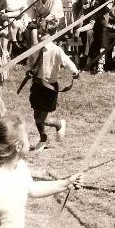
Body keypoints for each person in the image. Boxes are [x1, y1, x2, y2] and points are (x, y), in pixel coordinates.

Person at [26, 16, 79, 151]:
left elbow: (67, 62)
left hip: (49, 87)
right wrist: (29, 70)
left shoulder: (56, 50)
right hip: (37, 85)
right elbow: (30, 60)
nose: (40, 36)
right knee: (36, 116)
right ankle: (43, 139)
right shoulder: (36, 48)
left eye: (43, 34)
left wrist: (75, 72)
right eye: (39, 33)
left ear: (52, 35)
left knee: (42, 119)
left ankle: (59, 124)